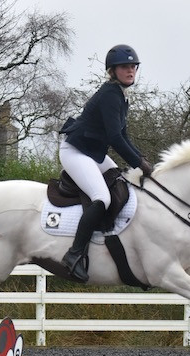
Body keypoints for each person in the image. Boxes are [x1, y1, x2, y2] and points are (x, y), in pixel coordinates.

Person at [58, 44, 153, 283]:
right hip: (76, 152)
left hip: (93, 153)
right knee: (103, 198)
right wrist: (139, 164)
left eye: (133, 66)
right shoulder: (111, 94)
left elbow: (125, 136)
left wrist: (142, 160)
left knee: (119, 183)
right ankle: (74, 254)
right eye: (125, 67)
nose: (131, 70)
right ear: (113, 70)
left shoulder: (121, 95)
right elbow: (114, 138)